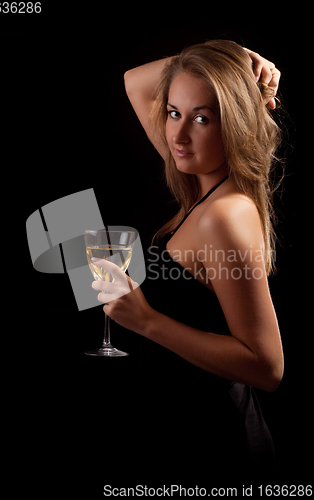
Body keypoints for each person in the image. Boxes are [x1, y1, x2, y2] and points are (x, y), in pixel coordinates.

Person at [91, 40, 284, 484]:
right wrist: (230, 50)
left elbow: (266, 367)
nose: (177, 135)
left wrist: (146, 321)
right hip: (188, 433)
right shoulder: (202, 180)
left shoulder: (223, 216)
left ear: (235, 123)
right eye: (174, 113)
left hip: (220, 448)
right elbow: (135, 81)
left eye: (201, 119)